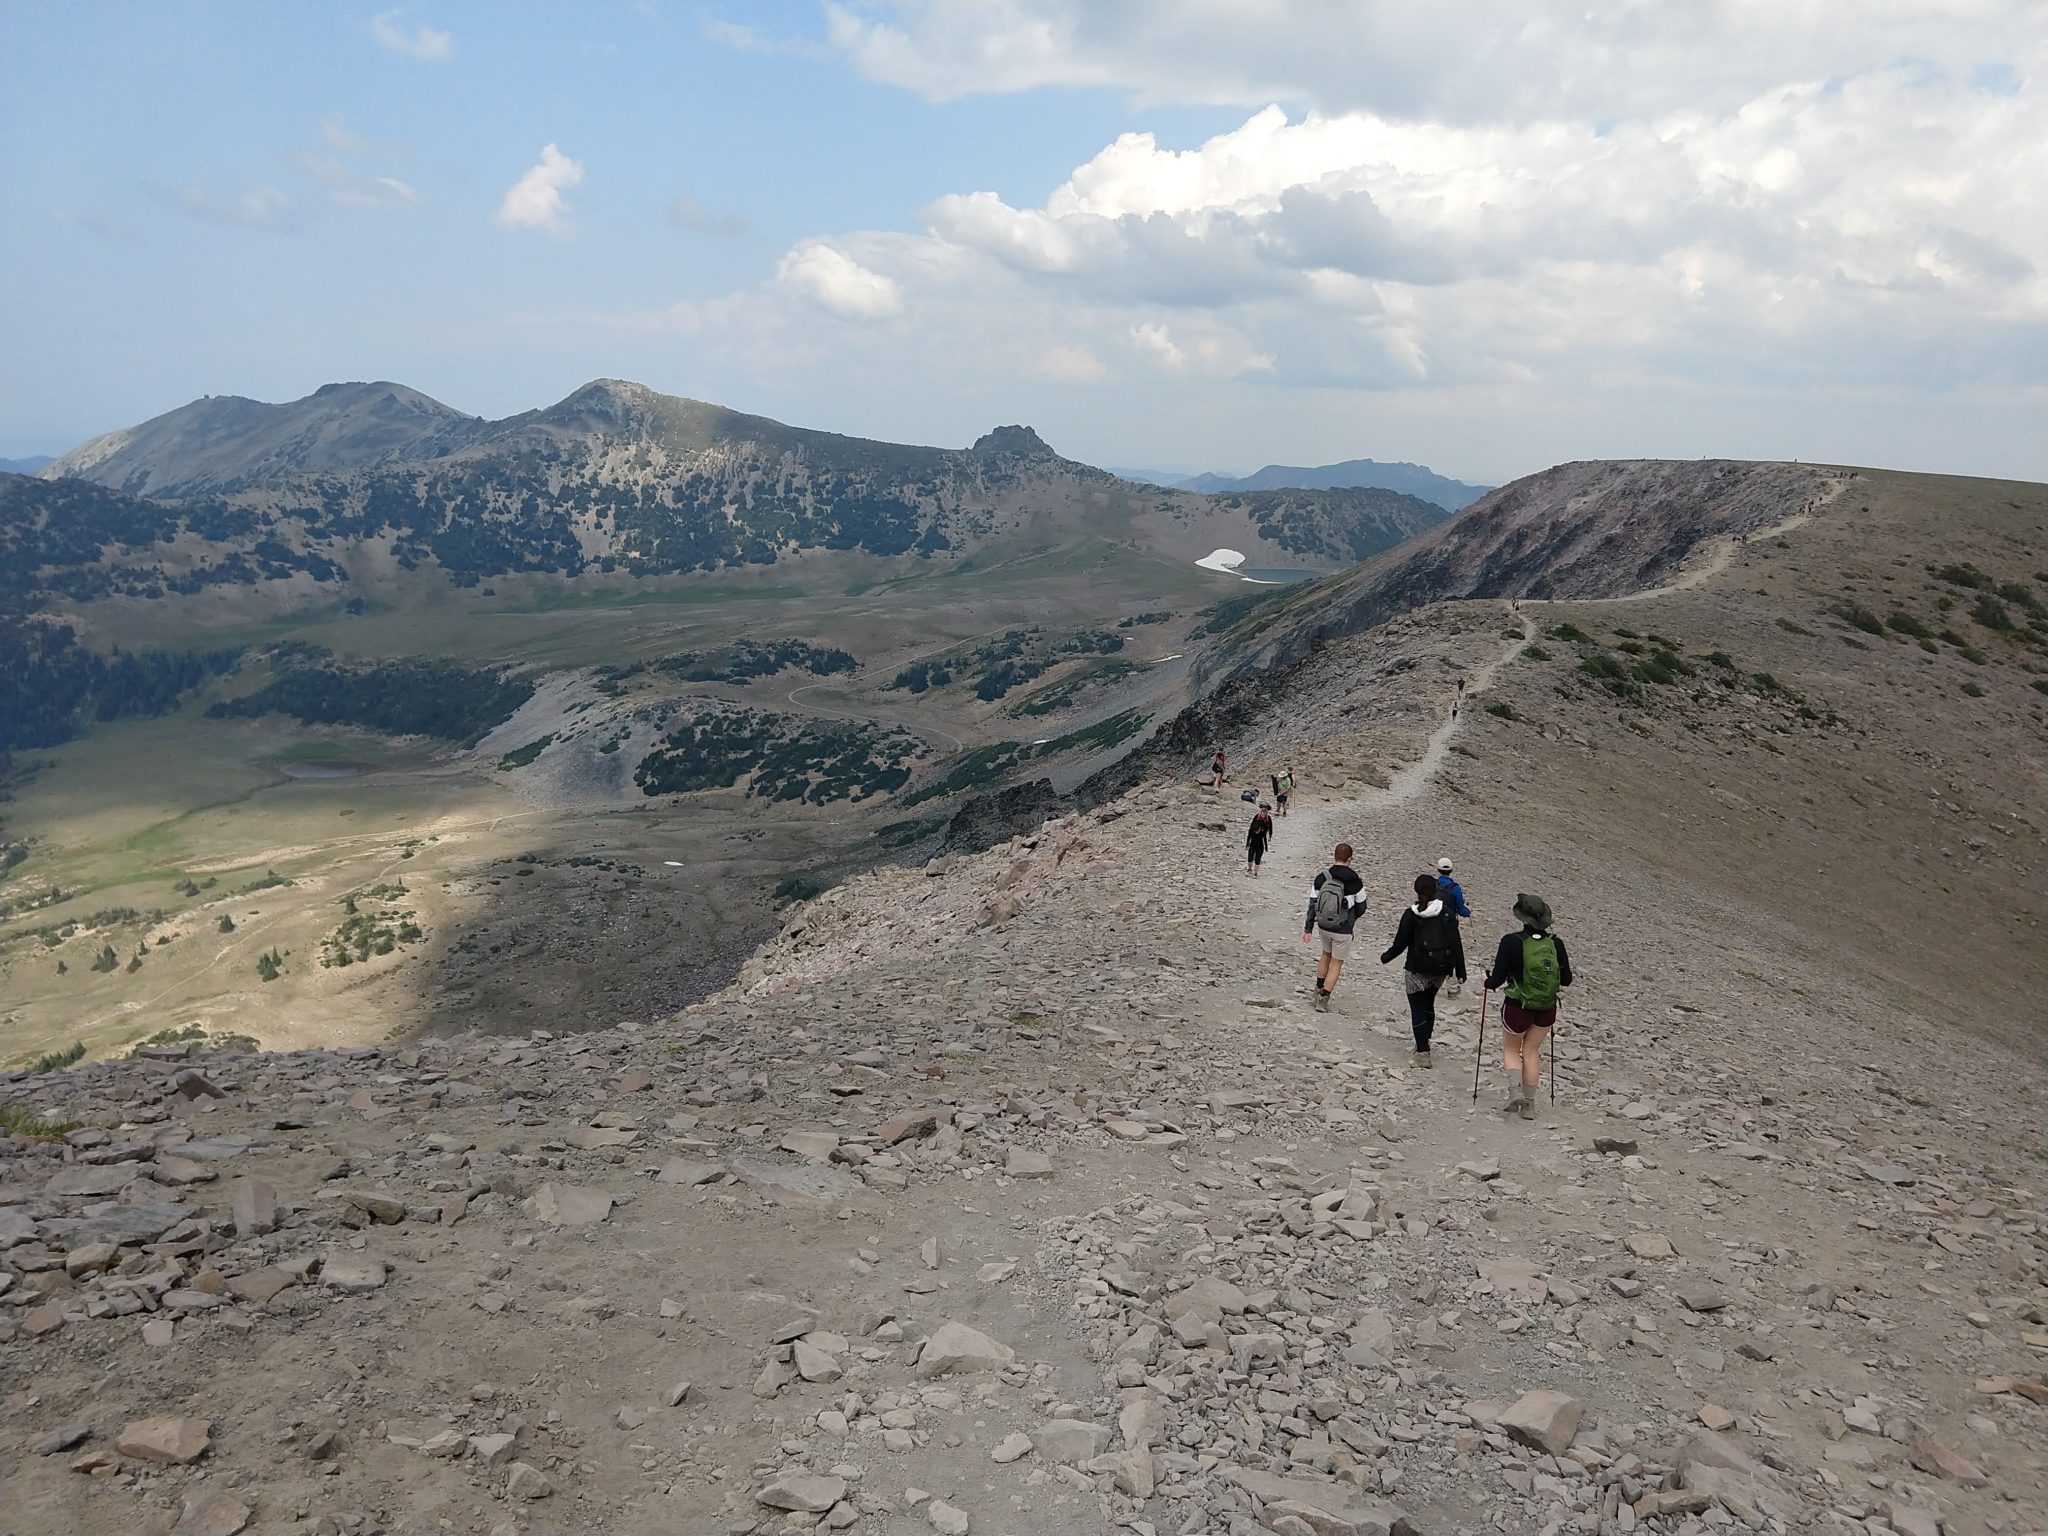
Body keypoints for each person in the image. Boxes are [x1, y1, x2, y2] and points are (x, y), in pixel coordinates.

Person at [1482, 893, 1573, 1120]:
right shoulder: (1556, 943)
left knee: (1512, 1050)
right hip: (1546, 1007)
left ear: (1521, 917)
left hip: (1517, 1006)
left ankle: (1514, 1092)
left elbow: (1498, 979)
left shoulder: (1511, 941)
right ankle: (1530, 1106)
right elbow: (1567, 979)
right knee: (1531, 1052)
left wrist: (1487, 981)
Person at [1379, 873, 1465, 1067]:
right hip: (1441, 969)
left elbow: (1400, 943)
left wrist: (1386, 957)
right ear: (1436, 890)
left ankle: (1422, 1050)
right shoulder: (1446, 913)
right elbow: (1456, 942)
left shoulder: (1411, 914)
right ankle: (1425, 1040)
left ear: (1416, 891)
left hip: (1416, 968)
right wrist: (1460, 970)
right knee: (1428, 1004)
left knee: (1416, 1008)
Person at [1302, 842, 1367, 1012]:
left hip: (1324, 925)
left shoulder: (1322, 877)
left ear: (1334, 856)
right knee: (1336, 963)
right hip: (1343, 928)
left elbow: (1312, 904)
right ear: (1350, 859)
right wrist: (1350, 919)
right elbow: (1362, 907)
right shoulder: (1355, 880)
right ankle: (1324, 999)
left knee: (1325, 955)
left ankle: (1317, 989)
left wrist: (1308, 928)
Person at [1245, 804, 1274, 876]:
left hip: (1263, 831)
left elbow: (1270, 827)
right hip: (1255, 829)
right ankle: (1251, 866)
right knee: (1252, 854)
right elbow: (1252, 824)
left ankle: (1256, 867)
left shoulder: (1268, 818)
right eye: (1262, 813)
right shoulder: (1256, 817)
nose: (1263, 814)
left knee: (1258, 851)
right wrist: (1252, 830)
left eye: (1265, 813)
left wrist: (1270, 835)